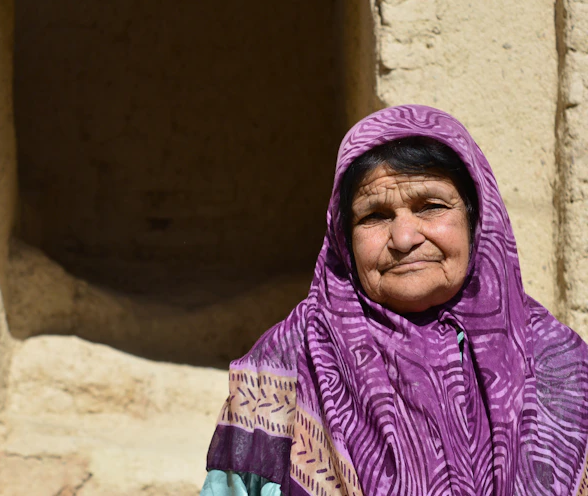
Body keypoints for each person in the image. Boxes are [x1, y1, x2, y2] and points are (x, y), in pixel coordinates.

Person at [200, 105, 588, 495]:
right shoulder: (289, 361)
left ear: (477, 220)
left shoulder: (557, 361)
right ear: (343, 238)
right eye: (375, 216)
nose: (404, 239)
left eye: (431, 207)